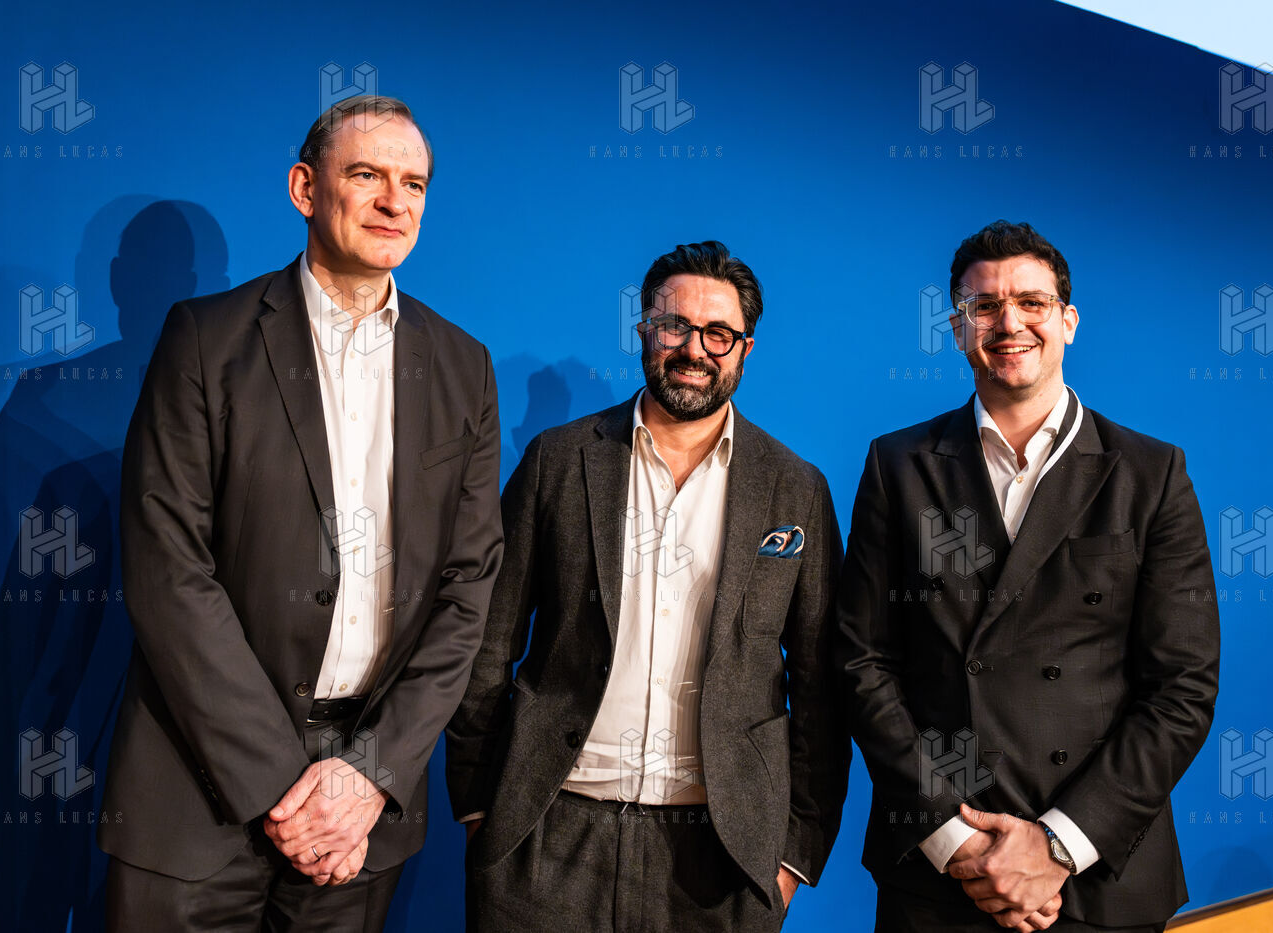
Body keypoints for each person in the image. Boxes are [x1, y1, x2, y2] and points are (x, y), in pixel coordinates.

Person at [98, 94, 503, 931]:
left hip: (363, 815)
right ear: (305, 188)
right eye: (368, 175)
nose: (395, 202)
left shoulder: (464, 367)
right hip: (196, 797)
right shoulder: (205, 341)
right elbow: (168, 573)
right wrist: (289, 787)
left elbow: (467, 594)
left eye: (414, 184)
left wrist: (366, 776)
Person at [446, 241, 848, 932]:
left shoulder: (796, 489)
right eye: (674, 325)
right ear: (643, 330)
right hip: (546, 834)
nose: (694, 349)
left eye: (718, 333)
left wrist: (791, 856)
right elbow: (487, 640)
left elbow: (822, 687)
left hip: (722, 855)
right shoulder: (557, 461)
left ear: (745, 348)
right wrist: (481, 808)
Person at [838, 220, 1219, 932]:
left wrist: (1055, 846)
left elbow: (1183, 687)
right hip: (942, 877)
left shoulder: (1151, 473)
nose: (1009, 322)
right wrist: (956, 841)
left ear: (1068, 320)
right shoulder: (897, 465)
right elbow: (863, 661)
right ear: (958, 328)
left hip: (1100, 879)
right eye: (984, 306)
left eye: (1032, 302)